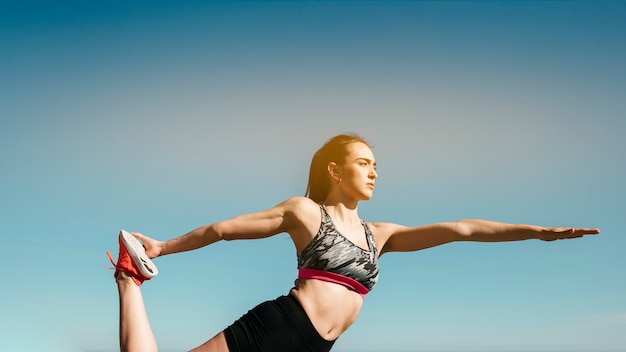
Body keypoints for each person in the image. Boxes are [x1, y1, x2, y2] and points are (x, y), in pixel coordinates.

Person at [107, 133, 599, 352]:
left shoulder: (377, 236)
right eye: (365, 162)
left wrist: (535, 232)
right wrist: (163, 247)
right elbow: (224, 230)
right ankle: (132, 279)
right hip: (280, 328)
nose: (374, 171)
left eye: (377, 165)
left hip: (318, 347)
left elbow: (460, 229)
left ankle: (130, 279)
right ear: (334, 169)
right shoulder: (305, 213)